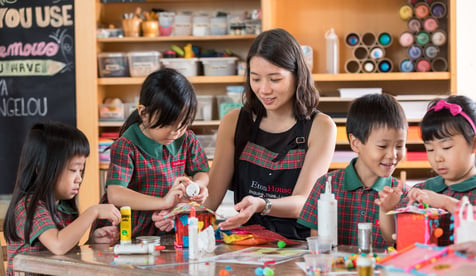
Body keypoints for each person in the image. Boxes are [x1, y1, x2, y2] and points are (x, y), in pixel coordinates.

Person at [200, 28, 337, 240]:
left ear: (297, 76)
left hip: (295, 246)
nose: (264, 89)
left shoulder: (321, 127)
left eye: (274, 79)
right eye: (256, 79)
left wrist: (262, 204)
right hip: (243, 244)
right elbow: (211, 199)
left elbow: (304, 202)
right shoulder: (234, 122)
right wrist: (177, 212)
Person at [93, 68, 210, 237]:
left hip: (165, 226)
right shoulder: (127, 145)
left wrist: (198, 186)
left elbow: (202, 172)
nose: (175, 132)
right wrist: (162, 202)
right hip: (126, 231)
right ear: (144, 114)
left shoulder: (186, 139)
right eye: (168, 124)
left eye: (183, 125)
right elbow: (116, 193)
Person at [3, 122, 121, 275]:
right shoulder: (29, 206)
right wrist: (94, 211)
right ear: (41, 169)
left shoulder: (65, 208)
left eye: (81, 170)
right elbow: (58, 245)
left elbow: (64, 254)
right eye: (73, 170)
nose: (79, 178)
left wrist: (92, 241)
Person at [298, 93, 408, 248]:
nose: (393, 155)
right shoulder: (326, 184)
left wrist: (387, 209)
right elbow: (318, 244)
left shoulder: (402, 193)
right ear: (356, 143)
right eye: (383, 146)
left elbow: (395, 241)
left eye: (399, 146)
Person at [392, 95, 476, 246]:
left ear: (474, 144)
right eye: (430, 149)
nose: (437, 158)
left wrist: (446, 202)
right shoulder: (421, 191)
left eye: (446, 147)